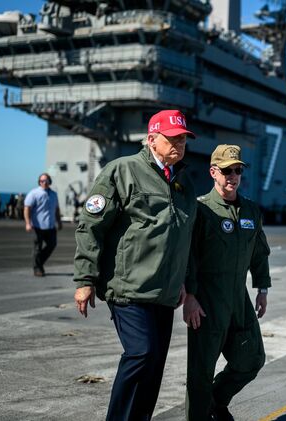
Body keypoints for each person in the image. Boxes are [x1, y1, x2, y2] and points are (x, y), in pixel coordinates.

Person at [73, 110, 197, 421]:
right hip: (128, 287)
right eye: (172, 138)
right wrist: (85, 279)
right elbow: (91, 226)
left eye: (183, 139)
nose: (179, 144)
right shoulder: (122, 170)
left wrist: (185, 282)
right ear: (152, 139)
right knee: (141, 353)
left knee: (154, 366)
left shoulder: (184, 182)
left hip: (165, 292)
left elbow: (185, 239)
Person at [183, 145, 271, 421]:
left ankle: (217, 401)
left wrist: (262, 289)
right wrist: (189, 297)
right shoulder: (201, 209)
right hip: (207, 301)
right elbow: (188, 256)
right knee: (200, 372)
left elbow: (259, 252)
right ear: (213, 172)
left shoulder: (251, 210)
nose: (233, 175)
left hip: (238, 299)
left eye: (237, 170)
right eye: (226, 170)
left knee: (252, 359)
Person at [24, 174, 62, 276]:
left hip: (50, 226)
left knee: (52, 245)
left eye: (46, 180)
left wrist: (59, 222)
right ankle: (37, 269)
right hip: (38, 226)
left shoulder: (53, 194)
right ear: (39, 182)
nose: (44, 183)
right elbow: (27, 208)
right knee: (37, 248)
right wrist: (28, 223)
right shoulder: (34, 193)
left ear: (50, 181)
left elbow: (57, 209)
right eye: (41, 181)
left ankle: (39, 263)